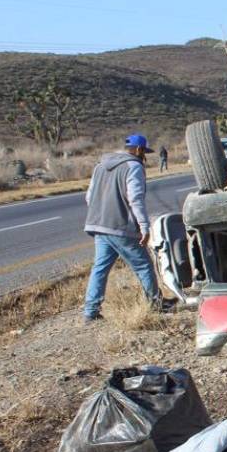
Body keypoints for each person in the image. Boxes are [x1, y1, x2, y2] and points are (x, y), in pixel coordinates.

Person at [82, 133, 161, 323]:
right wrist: (144, 226)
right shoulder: (134, 167)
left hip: (98, 225)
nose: (145, 157)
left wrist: (102, 213)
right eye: (145, 153)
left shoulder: (100, 166)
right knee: (143, 265)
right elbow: (134, 198)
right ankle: (155, 304)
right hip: (120, 227)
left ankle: (90, 312)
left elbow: (89, 196)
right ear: (140, 150)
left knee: (99, 268)